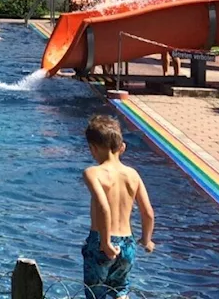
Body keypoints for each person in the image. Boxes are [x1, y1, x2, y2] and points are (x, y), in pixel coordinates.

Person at [81, 115, 155, 299]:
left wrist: (105, 242)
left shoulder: (93, 172)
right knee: (120, 291)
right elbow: (148, 213)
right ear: (121, 147)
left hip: (101, 242)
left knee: (94, 292)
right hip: (128, 243)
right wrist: (146, 240)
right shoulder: (133, 174)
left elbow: (103, 207)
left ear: (93, 148)